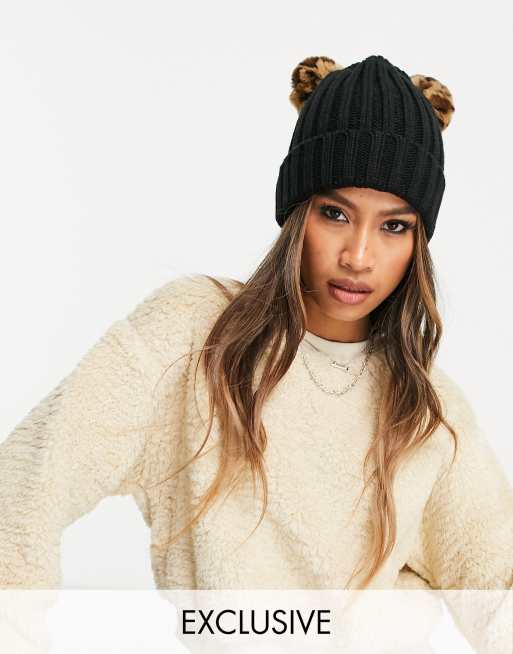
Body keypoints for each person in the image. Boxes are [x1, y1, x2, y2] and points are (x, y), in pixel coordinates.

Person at [0, 53, 512, 652]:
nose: (358, 256)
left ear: (418, 242)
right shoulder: (194, 335)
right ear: (297, 214)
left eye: (394, 226)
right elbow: (29, 481)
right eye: (335, 214)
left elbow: (496, 579)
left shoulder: (429, 410)